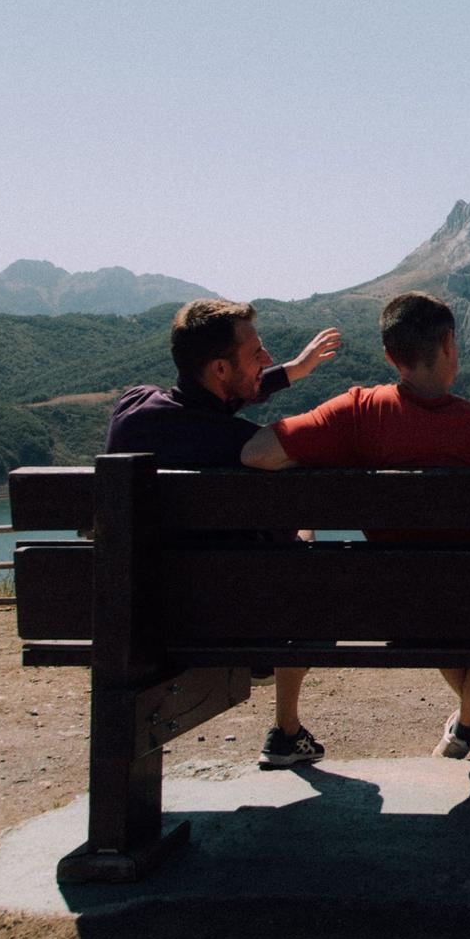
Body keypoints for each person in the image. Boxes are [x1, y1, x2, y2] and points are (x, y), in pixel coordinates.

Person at [241, 290, 470, 758]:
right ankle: (467, 727)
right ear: (449, 343)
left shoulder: (358, 413)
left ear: (391, 356)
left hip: (403, 600)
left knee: (435, 601)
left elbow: (257, 453)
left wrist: (323, 463)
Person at [105, 297, 341, 769]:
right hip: (235, 625)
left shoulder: (133, 410)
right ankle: (286, 725)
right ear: (218, 367)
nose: (268, 360)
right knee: (304, 538)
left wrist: (292, 371)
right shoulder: (244, 450)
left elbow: (207, 408)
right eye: (257, 355)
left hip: (136, 616)